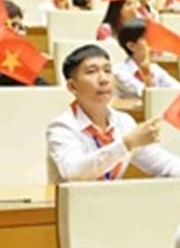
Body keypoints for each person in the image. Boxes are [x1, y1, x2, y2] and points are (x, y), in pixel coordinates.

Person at [47, 44, 180, 182]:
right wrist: (126, 144)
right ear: (73, 86)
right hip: (77, 202)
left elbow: (165, 165)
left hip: (113, 200)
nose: (103, 79)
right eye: (92, 71)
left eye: (107, 70)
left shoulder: (124, 122)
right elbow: (74, 173)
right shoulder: (61, 127)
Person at [113, 19, 179, 98]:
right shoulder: (118, 72)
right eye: (147, 39)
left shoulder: (155, 69)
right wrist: (147, 76)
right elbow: (146, 97)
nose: (153, 43)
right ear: (131, 46)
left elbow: (177, 89)